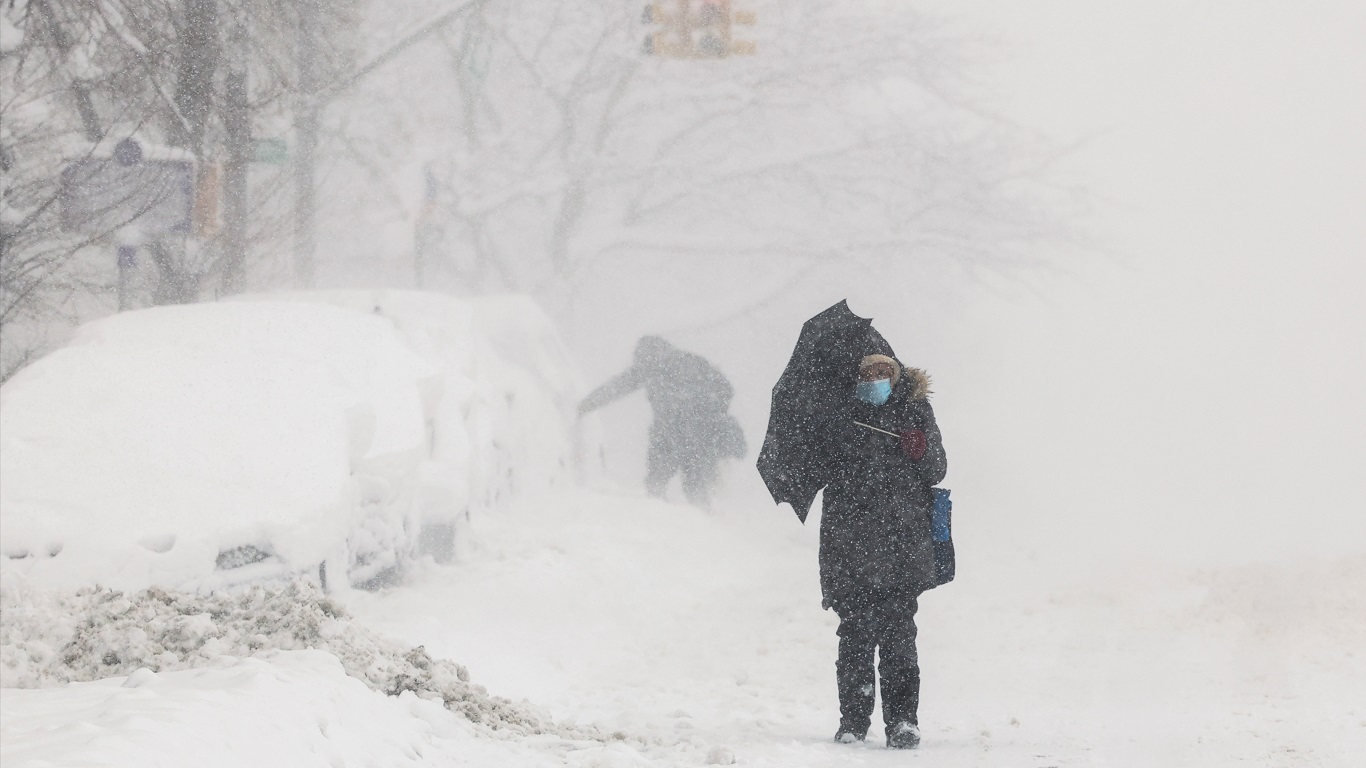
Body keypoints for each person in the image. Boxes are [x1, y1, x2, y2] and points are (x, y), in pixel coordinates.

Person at [822, 352, 947, 749]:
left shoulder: (915, 411)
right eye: (868, 372)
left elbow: (937, 469)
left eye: (883, 372)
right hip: (849, 544)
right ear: (857, 377)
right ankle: (853, 724)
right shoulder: (841, 414)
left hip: (902, 545)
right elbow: (818, 469)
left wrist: (920, 448)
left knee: (899, 637)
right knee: (855, 637)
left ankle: (903, 723)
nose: (875, 377)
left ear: (895, 376)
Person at [578, 336, 745, 506]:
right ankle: (669, 518)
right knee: (665, 482)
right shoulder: (654, 368)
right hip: (673, 434)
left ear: (656, 353)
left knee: (687, 483)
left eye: (644, 359)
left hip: (692, 435)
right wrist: (585, 405)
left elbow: (724, 389)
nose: (643, 365)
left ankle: (701, 521)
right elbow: (617, 387)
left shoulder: (685, 364)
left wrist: (701, 410)